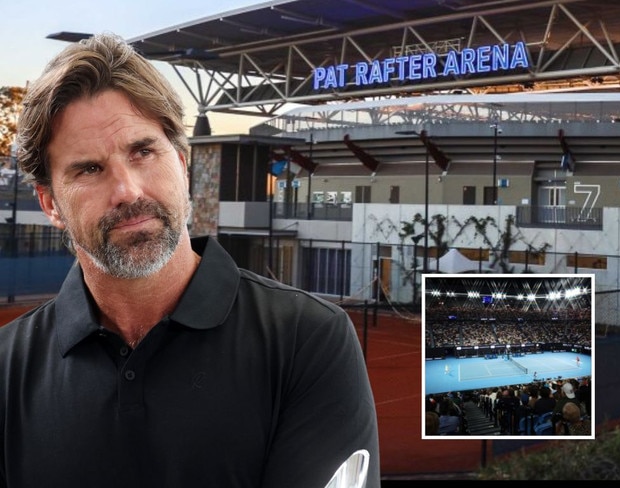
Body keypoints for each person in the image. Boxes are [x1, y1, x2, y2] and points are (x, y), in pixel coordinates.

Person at [0, 33, 380, 488]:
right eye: (89, 169)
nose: (128, 191)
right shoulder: (6, 367)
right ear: (50, 204)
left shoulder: (308, 339)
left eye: (143, 152)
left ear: (182, 165)